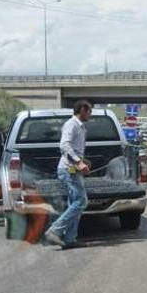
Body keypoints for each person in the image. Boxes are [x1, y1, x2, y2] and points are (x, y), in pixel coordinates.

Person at [44, 100, 92, 249]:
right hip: (68, 170)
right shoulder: (71, 124)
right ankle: (54, 231)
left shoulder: (80, 127)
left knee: (75, 203)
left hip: (73, 169)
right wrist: (78, 162)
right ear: (82, 110)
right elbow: (64, 145)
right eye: (89, 111)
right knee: (81, 201)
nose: (90, 114)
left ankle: (70, 239)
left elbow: (74, 148)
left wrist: (83, 161)